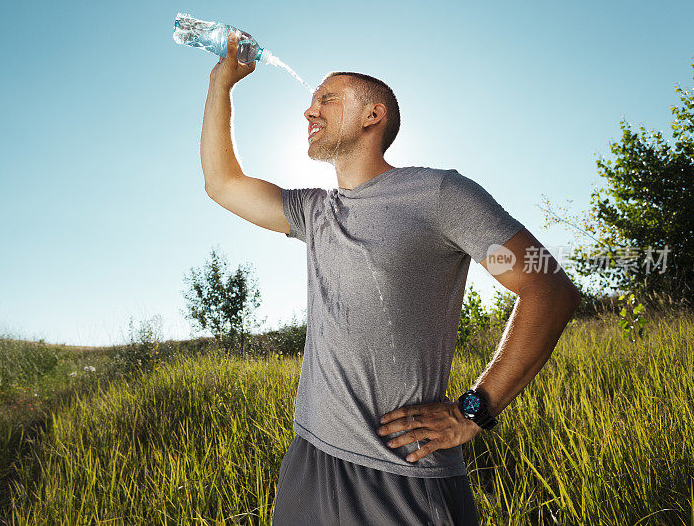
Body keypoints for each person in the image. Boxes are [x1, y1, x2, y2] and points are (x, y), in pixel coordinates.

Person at [200, 32, 581, 526]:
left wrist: (474, 409)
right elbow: (222, 184)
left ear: (372, 115)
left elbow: (548, 286)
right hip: (311, 459)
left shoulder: (438, 194)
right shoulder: (315, 212)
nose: (308, 112)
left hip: (402, 476)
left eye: (327, 99)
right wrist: (220, 84)